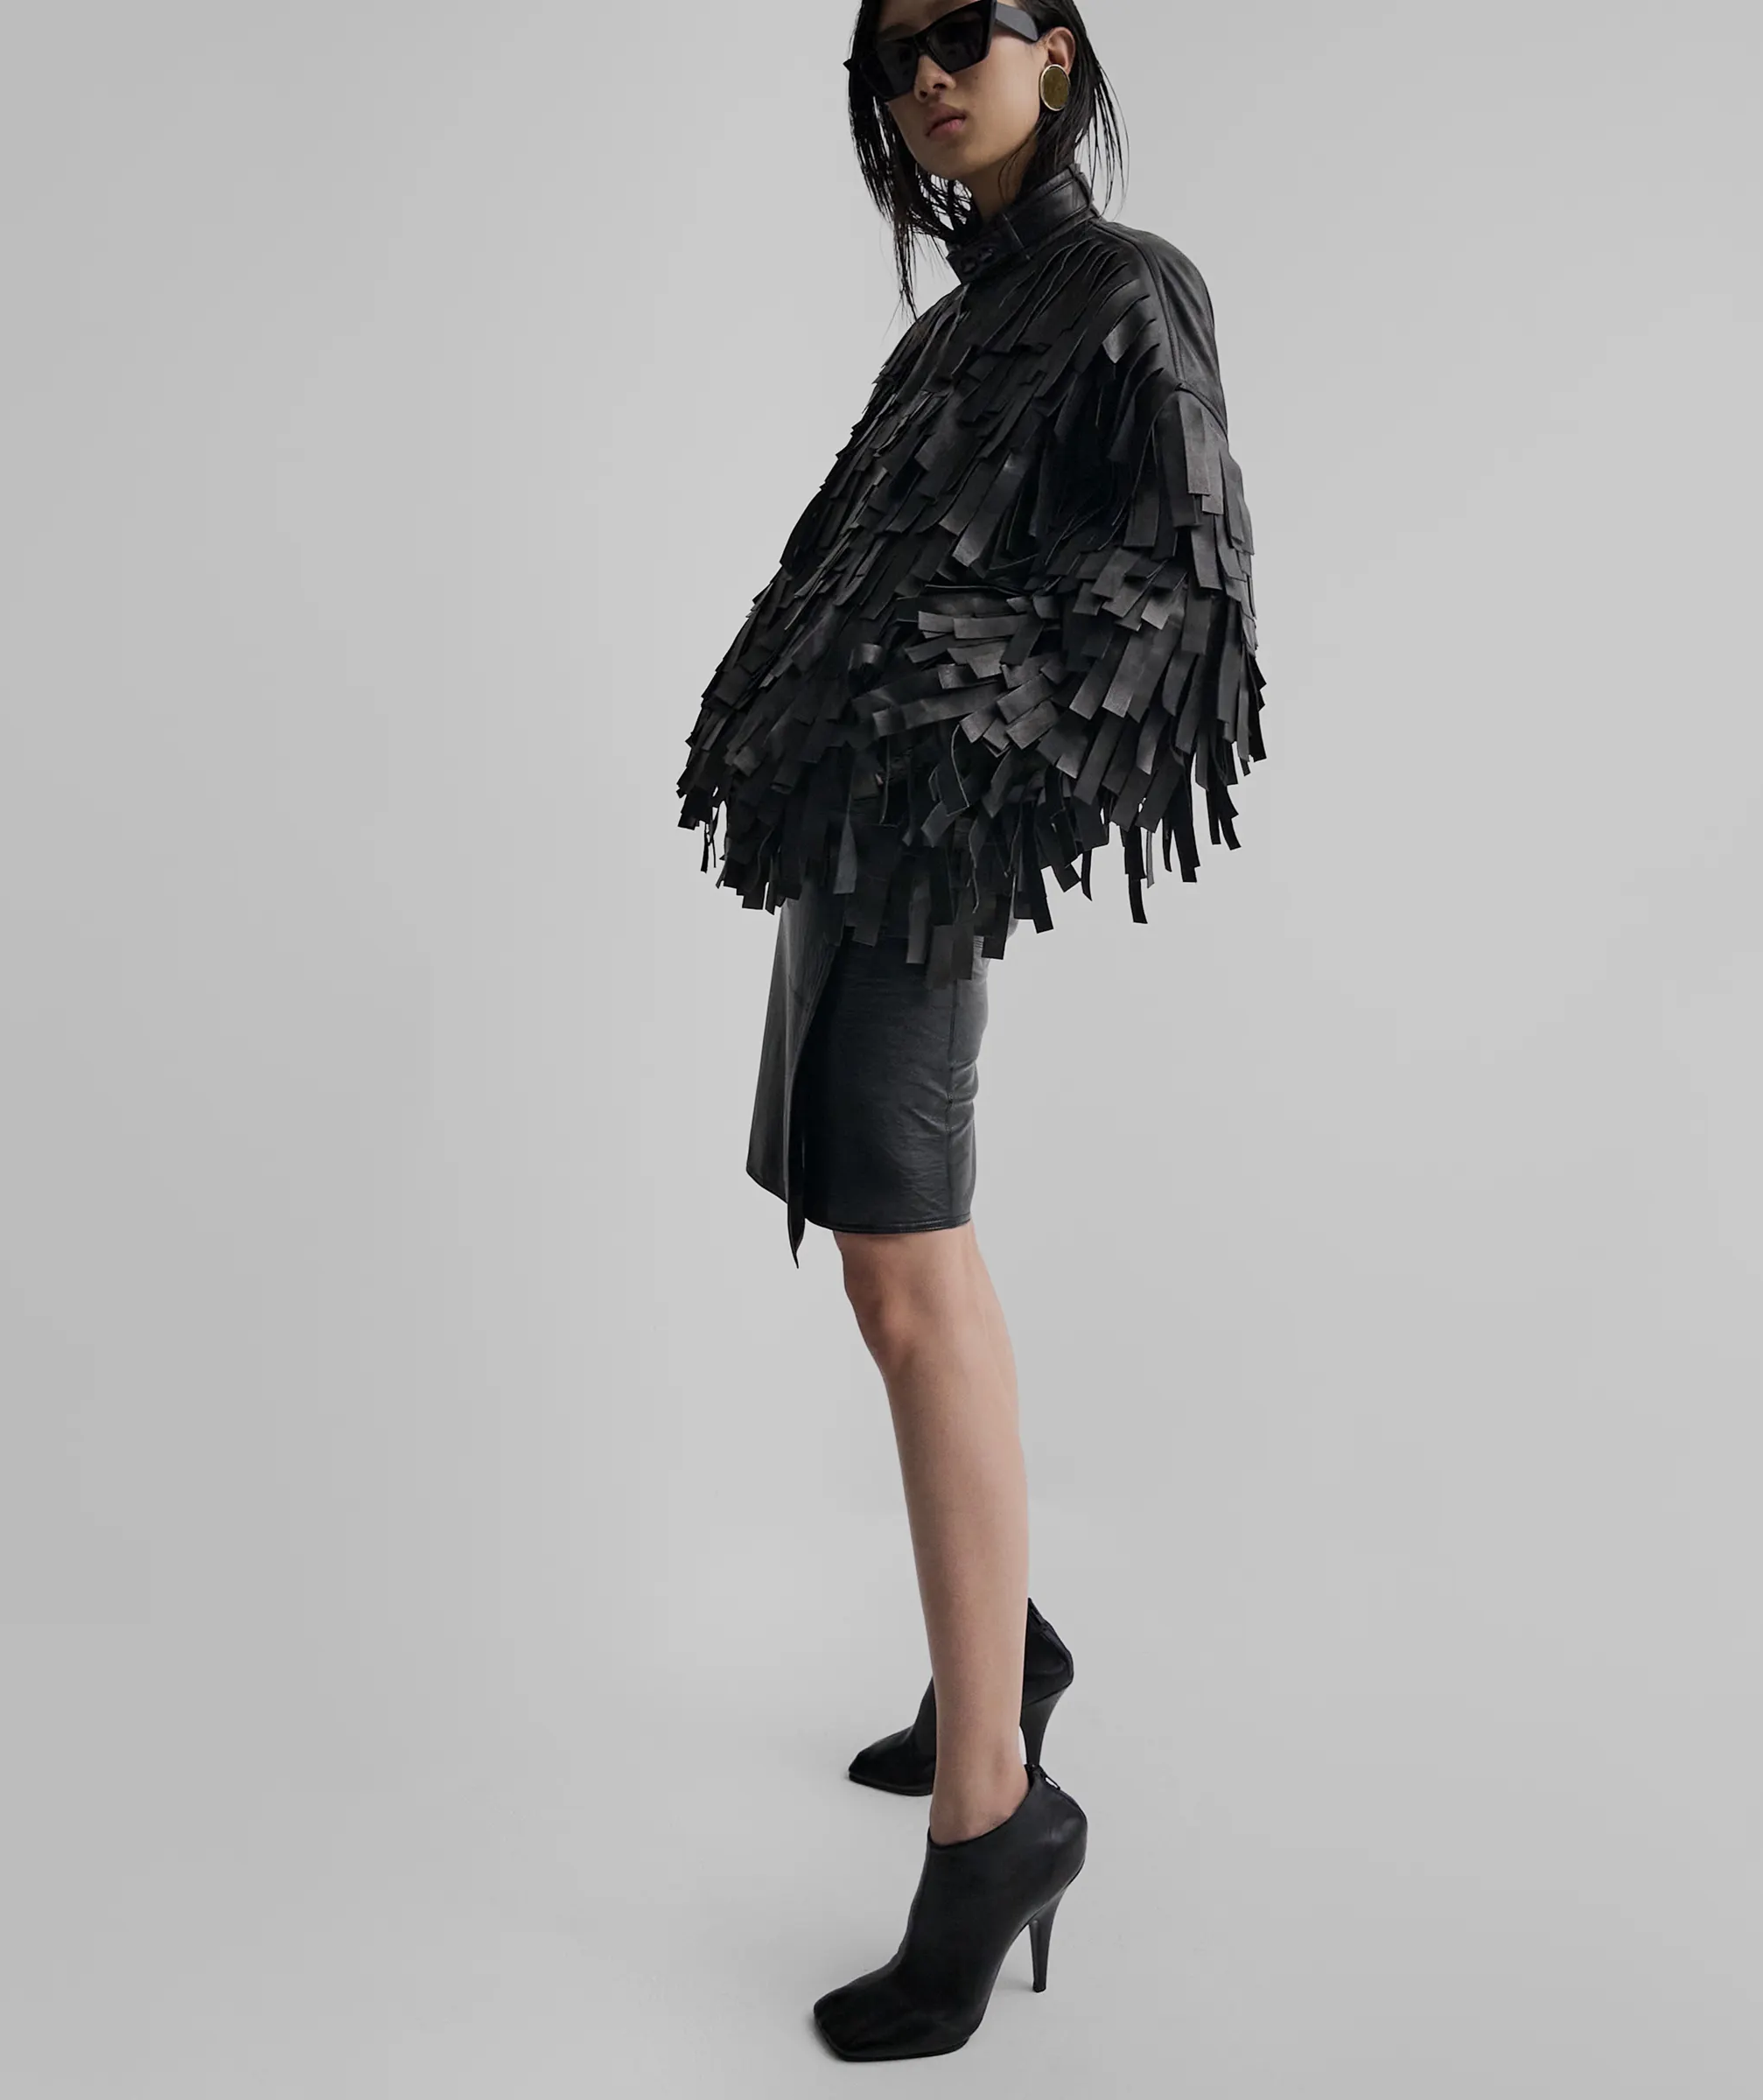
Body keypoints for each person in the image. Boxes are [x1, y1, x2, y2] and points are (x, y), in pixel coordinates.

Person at [675, 0, 1267, 2062]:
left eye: (961, 31)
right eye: (891, 56)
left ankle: (998, 1813)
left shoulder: (1130, 292)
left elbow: (1185, 598)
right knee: (880, 1260)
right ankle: (1004, 1647)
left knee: (915, 1281)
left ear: (1060, 54)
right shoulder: (948, 332)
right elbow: (851, 561)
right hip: (850, 834)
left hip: (921, 836)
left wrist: (948, 704)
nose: (927, 74)